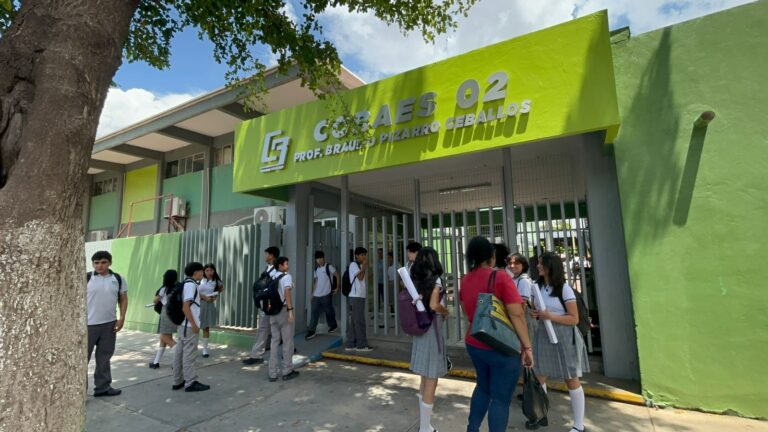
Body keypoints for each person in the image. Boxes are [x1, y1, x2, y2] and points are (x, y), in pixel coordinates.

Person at [459, 237, 534, 432]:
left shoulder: (465, 279)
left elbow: (465, 310)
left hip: (475, 341)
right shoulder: (500, 277)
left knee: (483, 387)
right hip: (502, 346)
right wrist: (527, 347)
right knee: (500, 399)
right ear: (492, 257)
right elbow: (517, 314)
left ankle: (472, 429)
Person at [529, 252, 589, 432]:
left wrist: (550, 316)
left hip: (564, 335)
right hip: (544, 334)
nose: (538, 266)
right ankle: (541, 415)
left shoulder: (564, 289)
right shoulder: (537, 287)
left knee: (571, 378)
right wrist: (536, 313)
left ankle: (578, 425)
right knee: (539, 376)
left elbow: (574, 318)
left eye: (541, 263)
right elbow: (538, 310)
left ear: (551, 266)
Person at [409, 247, 450, 432]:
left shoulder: (415, 281)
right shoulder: (436, 280)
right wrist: (445, 310)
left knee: (424, 379)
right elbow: (434, 305)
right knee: (431, 379)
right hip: (432, 331)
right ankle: (425, 428)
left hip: (420, 330)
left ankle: (425, 425)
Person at [86, 251, 128, 397]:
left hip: (109, 324)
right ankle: (79, 391)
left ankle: (102, 387)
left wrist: (122, 318)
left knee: (104, 357)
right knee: (82, 359)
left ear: (110, 263)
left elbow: (123, 298)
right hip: (88, 325)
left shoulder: (118, 279)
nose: (100, 266)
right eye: (96, 263)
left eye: (103, 262)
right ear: (92, 264)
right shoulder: (86, 278)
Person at [172, 261, 210, 392]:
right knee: (189, 355)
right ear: (196, 272)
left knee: (180, 353)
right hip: (188, 326)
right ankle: (190, 382)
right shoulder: (191, 285)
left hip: (183, 325)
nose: (203, 273)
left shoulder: (186, 283)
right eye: (201, 271)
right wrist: (194, 324)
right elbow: (186, 306)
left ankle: (178, 380)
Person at [243, 246, 280, 365]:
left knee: (266, 329)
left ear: (271, 255)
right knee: (272, 329)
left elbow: (274, 288)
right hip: (268, 304)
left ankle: (256, 355)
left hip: (272, 304)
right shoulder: (269, 268)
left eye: (266, 254)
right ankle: (257, 354)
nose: (265, 256)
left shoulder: (276, 270)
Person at [268, 256, 299, 381]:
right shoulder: (287, 277)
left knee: (274, 342)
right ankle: (287, 370)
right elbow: (287, 293)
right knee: (287, 341)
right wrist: (290, 310)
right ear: (280, 266)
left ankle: (272, 373)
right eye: (286, 264)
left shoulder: (272, 276)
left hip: (273, 312)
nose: (288, 266)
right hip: (283, 310)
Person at [306, 250, 338, 340]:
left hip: (326, 294)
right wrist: (313, 293)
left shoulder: (329, 267)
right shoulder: (316, 269)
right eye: (317, 259)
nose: (319, 260)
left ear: (323, 258)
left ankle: (333, 325)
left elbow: (337, 275)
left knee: (329, 311)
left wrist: (337, 287)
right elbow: (316, 281)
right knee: (314, 312)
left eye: (320, 258)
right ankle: (312, 331)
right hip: (317, 295)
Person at [148, 269, 177, 369]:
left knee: (165, 337)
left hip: (166, 313)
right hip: (175, 314)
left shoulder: (164, 289)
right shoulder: (178, 288)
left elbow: (155, 300)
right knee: (164, 339)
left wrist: (157, 299)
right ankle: (156, 362)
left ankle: (179, 357)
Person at [346, 246, 373, 352]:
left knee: (354, 321)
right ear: (356, 256)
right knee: (359, 321)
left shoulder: (360, 266)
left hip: (359, 296)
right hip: (356, 297)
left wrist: (364, 267)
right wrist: (364, 266)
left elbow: (364, 278)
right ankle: (361, 345)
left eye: (365, 255)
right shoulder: (353, 265)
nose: (364, 257)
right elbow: (360, 277)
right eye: (362, 255)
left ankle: (351, 344)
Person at [199, 263, 224, 358]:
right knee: (194, 327)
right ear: (204, 271)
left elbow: (220, 289)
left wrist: (214, 297)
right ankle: (192, 347)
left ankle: (205, 349)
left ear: (214, 271)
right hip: (197, 304)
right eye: (207, 270)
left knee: (206, 327)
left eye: (211, 270)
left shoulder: (216, 281)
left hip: (208, 305)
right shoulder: (200, 279)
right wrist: (203, 297)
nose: (209, 272)